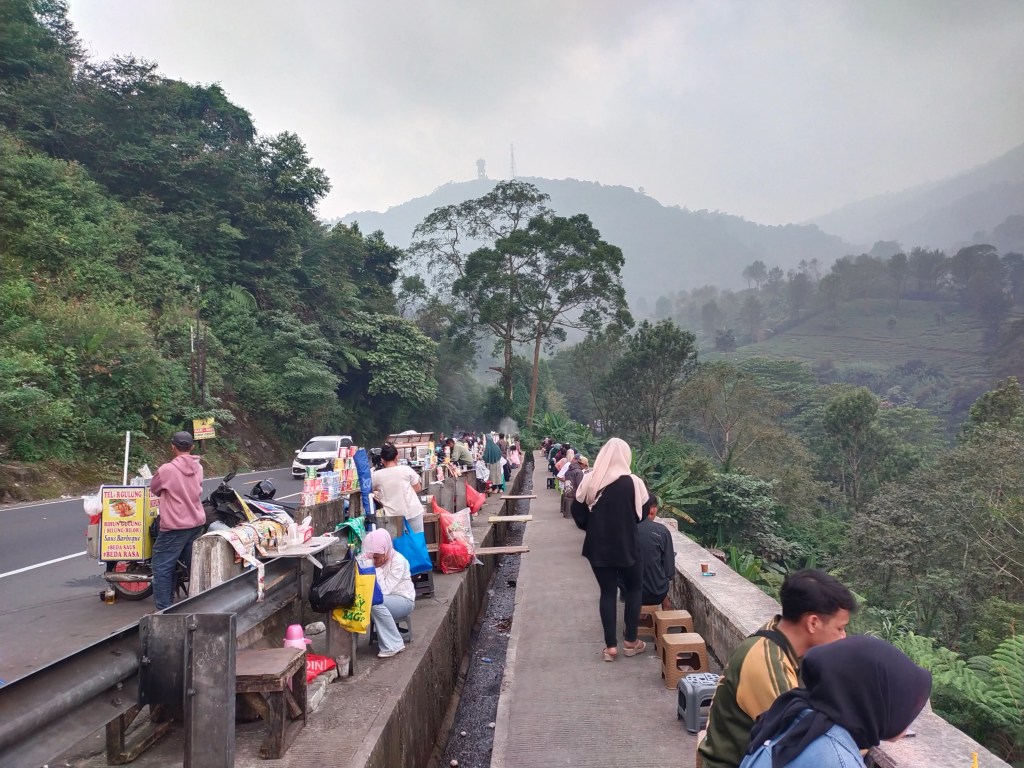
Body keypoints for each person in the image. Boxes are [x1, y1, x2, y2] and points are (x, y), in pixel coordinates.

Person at [698, 570, 858, 768]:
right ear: (813, 623)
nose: (844, 637)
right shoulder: (768, 664)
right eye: (840, 628)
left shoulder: (777, 635)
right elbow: (803, 745)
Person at [739, 635, 931, 768]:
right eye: (905, 705)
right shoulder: (837, 760)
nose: (910, 715)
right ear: (874, 702)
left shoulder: (794, 717)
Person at [571, 437, 649, 662]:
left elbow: (578, 511)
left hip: (598, 547)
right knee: (634, 589)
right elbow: (641, 514)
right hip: (627, 546)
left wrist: (593, 527)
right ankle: (631, 641)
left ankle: (611, 647)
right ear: (626, 456)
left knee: (607, 592)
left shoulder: (590, 479)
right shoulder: (634, 482)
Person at [149, 431, 205, 612]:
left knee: (161, 566)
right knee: (194, 565)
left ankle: (165, 610)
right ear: (192, 447)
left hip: (175, 526)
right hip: (196, 523)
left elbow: (154, 489)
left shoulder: (166, 470)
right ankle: (201, 602)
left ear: (172, 447)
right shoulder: (199, 468)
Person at [362, 528, 415, 659]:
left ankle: (394, 645)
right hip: (386, 599)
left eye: (377, 557)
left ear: (385, 551)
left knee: (375, 602)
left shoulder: (398, 561)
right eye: (372, 556)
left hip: (403, 600)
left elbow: (385, 590)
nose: (374, 559)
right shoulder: (372, 558)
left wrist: (376, 569)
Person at [371, 443, 425, 534]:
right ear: (397, 457)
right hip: (413, 512)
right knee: (417, 542)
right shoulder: (406, 469)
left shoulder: (376, 475)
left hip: (393, 516)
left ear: (382, 460)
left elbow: (369, 490)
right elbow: (418, 488)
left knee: (398, 545)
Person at [637, 493, 674, 610]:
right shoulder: (662, 531)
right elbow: (669, 572)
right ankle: (664, 617)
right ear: (652, 510)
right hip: (657, 593)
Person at [560, 452, 586, 519]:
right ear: (582, 464)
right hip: (574, 496)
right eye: (585, 466)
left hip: (567, 492)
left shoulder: (569, 469)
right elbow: (579, 485)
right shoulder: (579, 472)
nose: (585, 468)